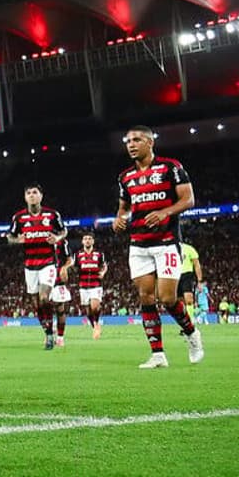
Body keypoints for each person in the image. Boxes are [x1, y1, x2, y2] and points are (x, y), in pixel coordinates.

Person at [112, 125, 202, 368]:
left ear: (150, 142)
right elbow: (125, 207)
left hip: (166, 243)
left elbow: (188, 199)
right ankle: (158, 354)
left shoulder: (170, 167)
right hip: (138, 245)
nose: (131, 144)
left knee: (167, 297)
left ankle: (192, 334)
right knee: (145, 297)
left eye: (137, 140)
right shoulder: (125, 177)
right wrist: (119, 219)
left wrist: (165, 212)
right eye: (128, 140)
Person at [6, 184, 67, 350]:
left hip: (47, 263)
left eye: (35, 192)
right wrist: (17, 240)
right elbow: (9, 236)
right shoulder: (18, 218)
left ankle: (50, 335)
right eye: (28, 193)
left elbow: (63, 231)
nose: (32, 195)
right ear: (25, 197)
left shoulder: (52, 215)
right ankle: (48, 332)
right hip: (29, 266)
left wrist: (57, 237)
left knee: (44, 297)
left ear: (41, 196)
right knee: (36, 305)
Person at [60, 232, 107, 339]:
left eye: (89, 238)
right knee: (88, 310)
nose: (87, 240)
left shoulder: (99, 254)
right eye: (85, 239)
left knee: (95, 306)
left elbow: (104, 266)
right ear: (82, 241)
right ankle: (94, 326)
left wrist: (103, 273)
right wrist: (66, 268)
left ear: (93, 241)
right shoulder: (78, 255)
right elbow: (72, 264)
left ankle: (97, 323)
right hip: (83, 285)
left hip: (96, 284)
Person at [178, 241, 204, 321]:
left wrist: (199, 281)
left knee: (188, 299)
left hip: (187, 275)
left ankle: (191, 322)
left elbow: (197, 265)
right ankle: (184, 323)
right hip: (175, 276)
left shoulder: (189, 248)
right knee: (180, 302)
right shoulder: (170, 249)